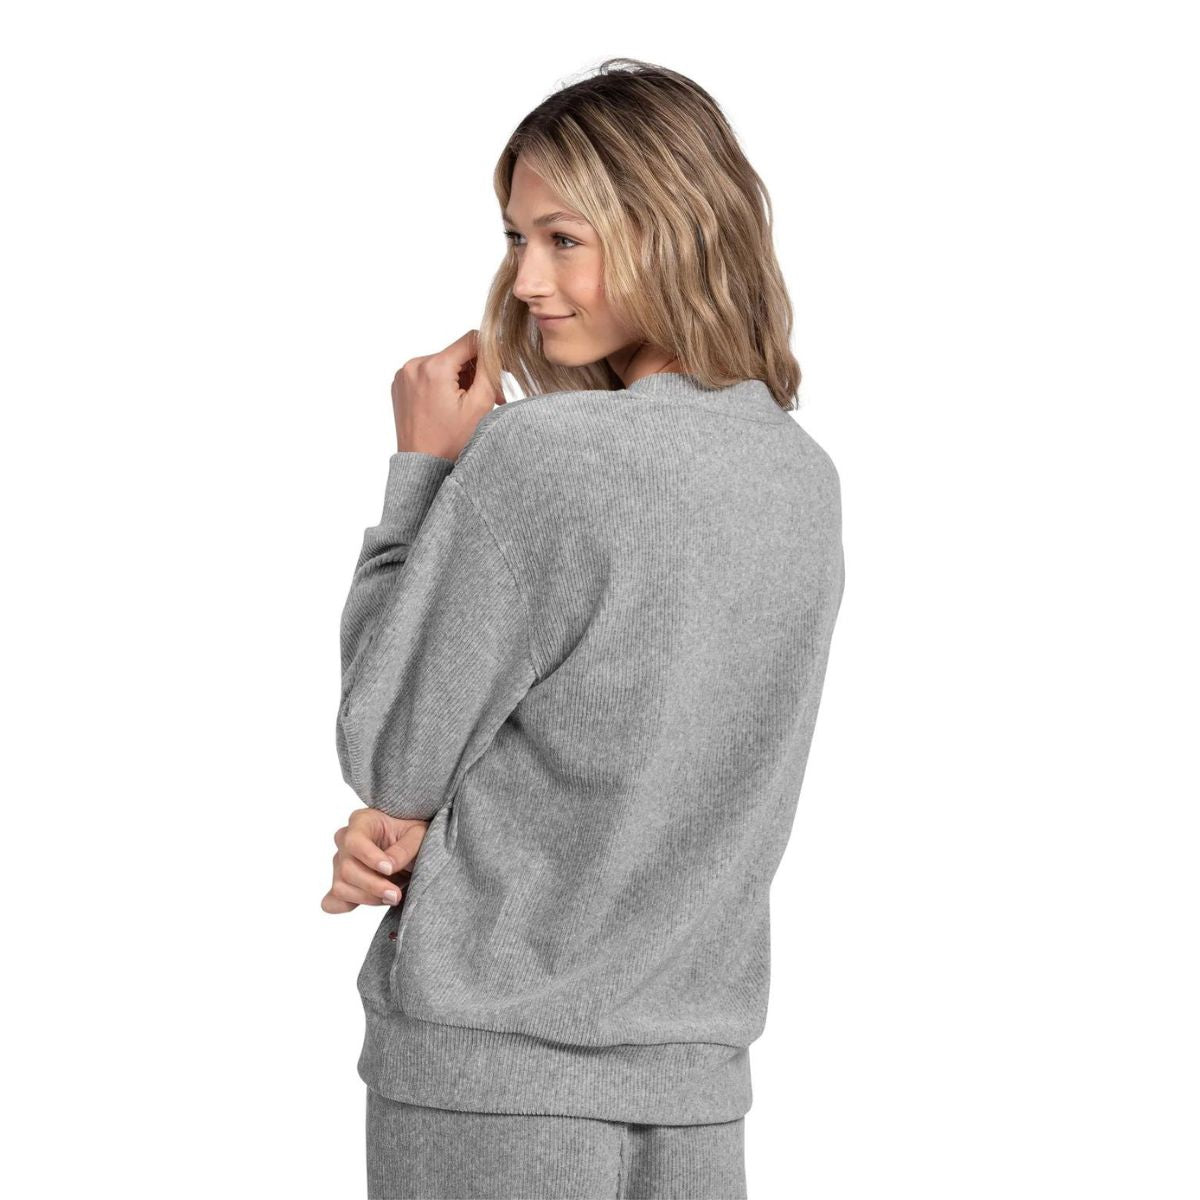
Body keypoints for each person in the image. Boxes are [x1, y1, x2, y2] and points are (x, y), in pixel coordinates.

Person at [323, 56, 846, 1200]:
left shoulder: (541, 462)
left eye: (566, 239)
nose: (526, 281)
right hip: (696, 1093)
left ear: (671, 229)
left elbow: (391, 747)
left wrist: (422, 474)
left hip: (490, 1084)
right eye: (517, 239)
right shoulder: (802, 479)